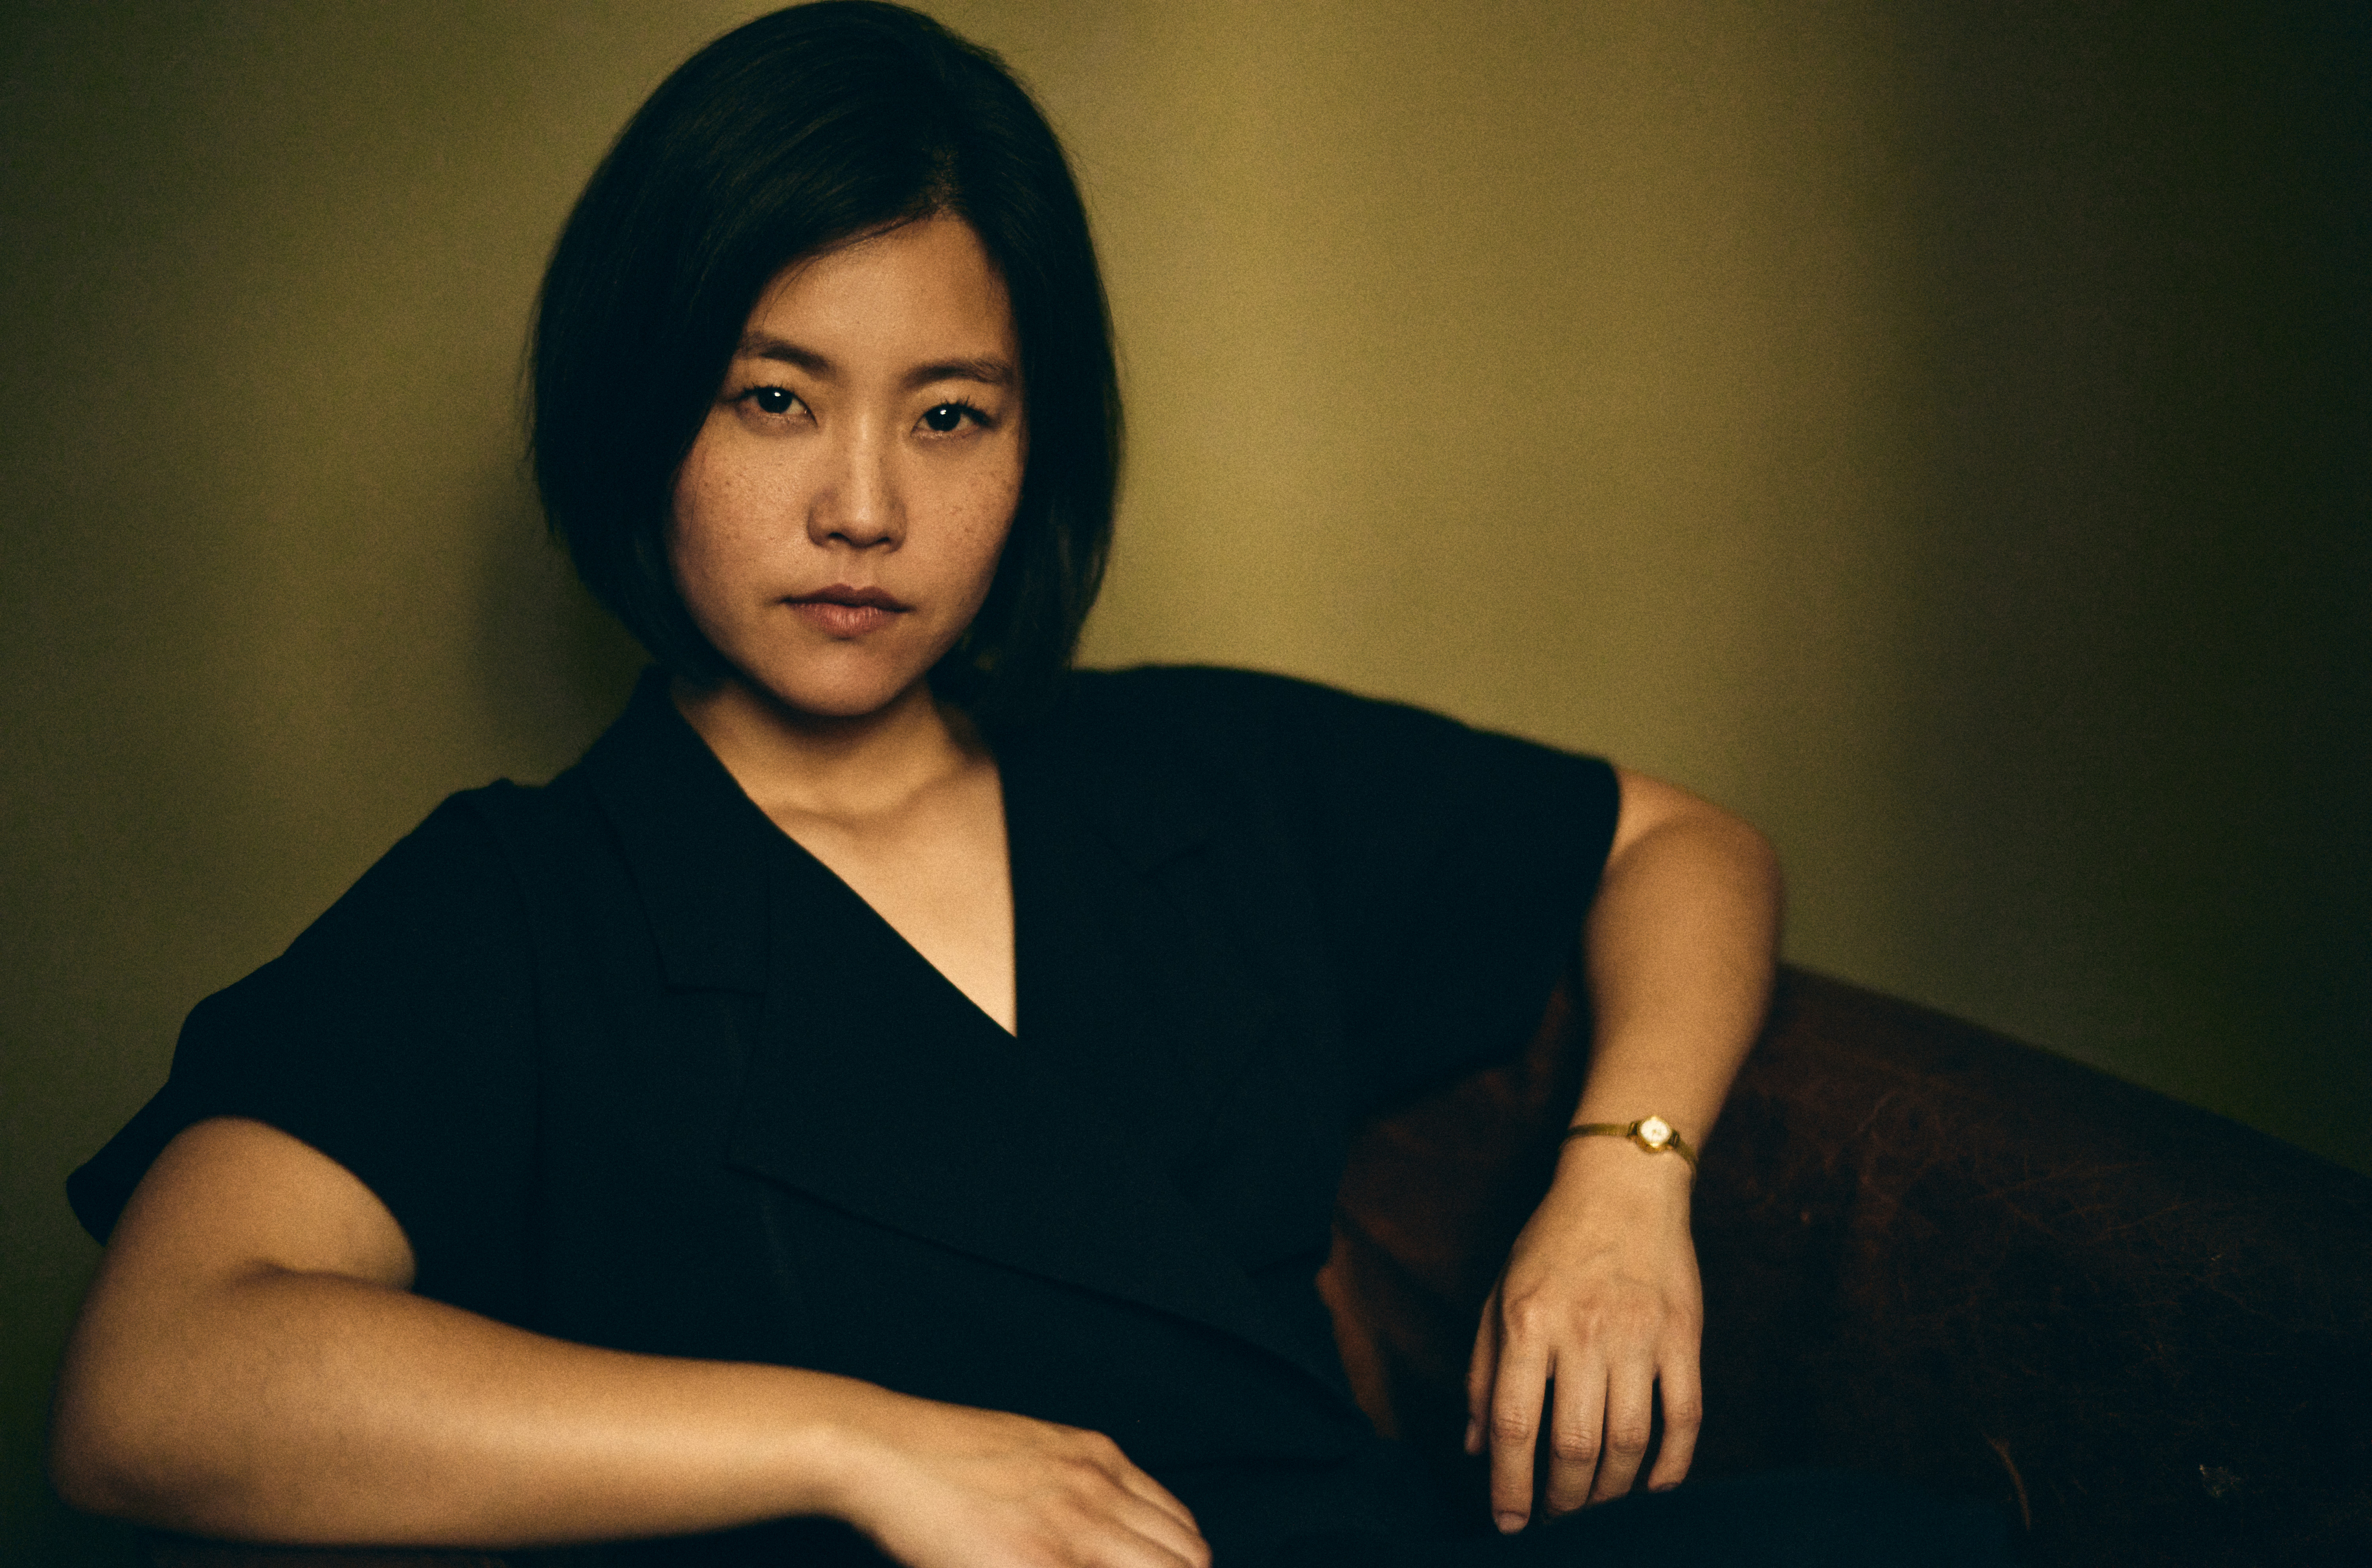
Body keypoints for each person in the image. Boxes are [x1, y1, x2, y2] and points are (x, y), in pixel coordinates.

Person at [49, 6, 2003, 1565]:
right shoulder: (532, 899)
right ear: (643, 409)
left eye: (952, 415)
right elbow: (153, 1382)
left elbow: (1679, 841)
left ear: (1032, 446)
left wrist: (1621, 1180)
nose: (866, 507)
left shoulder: (1195, 767)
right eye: (773, 396)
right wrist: (859, 1443)